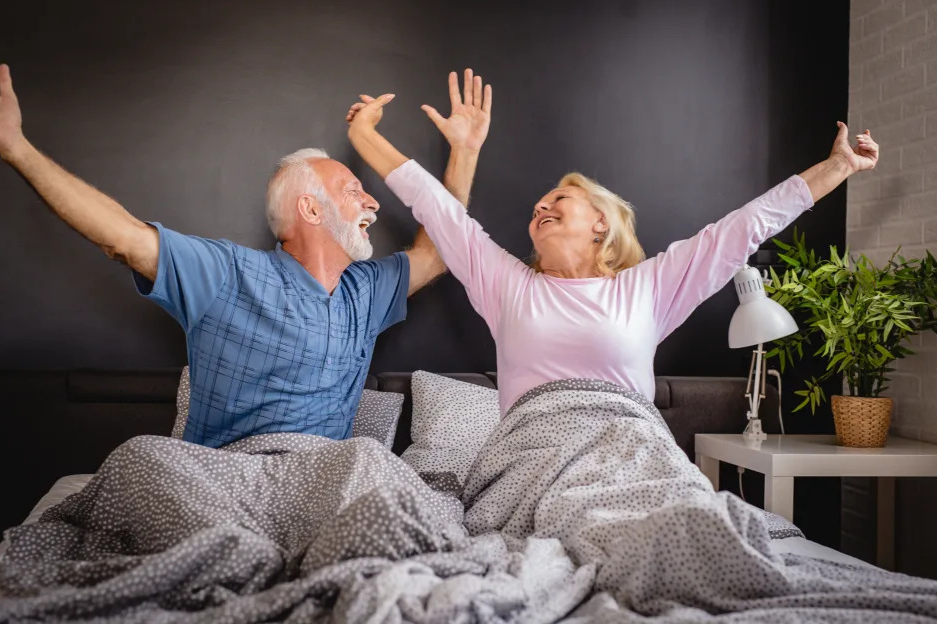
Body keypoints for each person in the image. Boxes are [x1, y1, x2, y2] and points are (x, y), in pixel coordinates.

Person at [0, 65, 493, 447]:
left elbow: (437, 249)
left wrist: (464, 151)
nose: (373, 201)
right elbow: (121, 237)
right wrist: (17, 148)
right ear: (310, 209)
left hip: (320, 485)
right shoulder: (228, 274)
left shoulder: (367, 291)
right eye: (354, 190)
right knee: (142, 459)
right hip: (225, 481)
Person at [345, 90, 879, 416]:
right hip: (533, 460)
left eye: (559, 198)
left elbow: (744, 228)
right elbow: (436, 207)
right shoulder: (508, 285)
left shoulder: (647, 288)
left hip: (629, 453)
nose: (540, 206)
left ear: (601, 221)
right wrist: (364, 135)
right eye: (539, 204)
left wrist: (838, 168)